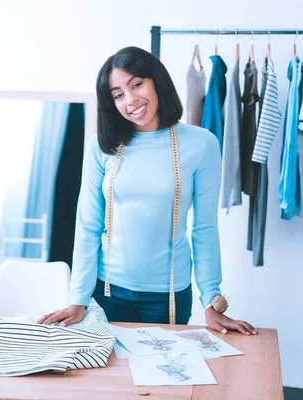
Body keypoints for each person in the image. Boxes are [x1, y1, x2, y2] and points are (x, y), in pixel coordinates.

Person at [38, 46, 257, 336]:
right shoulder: (101, 147)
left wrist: (210, 300)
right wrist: (78, 298)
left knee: (161, 378)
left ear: (156, 80)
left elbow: (204, 228)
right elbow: (88, 226)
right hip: (106, 292)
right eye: (118, 94)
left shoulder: (201, 144)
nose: (130, 100)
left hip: (166, 298)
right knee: (106, 379)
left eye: (136, 84)